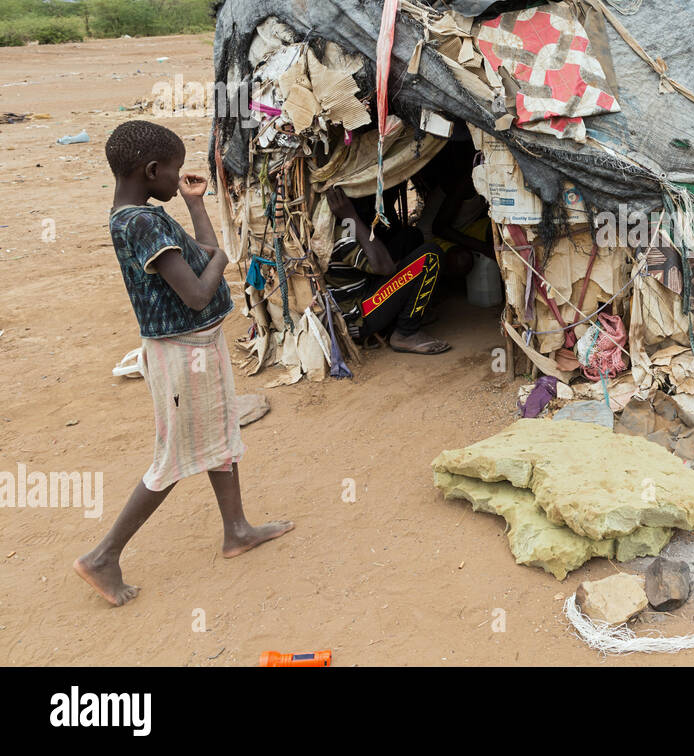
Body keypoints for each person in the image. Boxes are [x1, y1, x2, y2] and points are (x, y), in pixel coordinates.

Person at [75, 120, 293, 608]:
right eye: (174, 172)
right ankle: (103, 556)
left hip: (197, 347)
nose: (179, 179)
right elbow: (197, 293)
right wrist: (224, 259)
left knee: (220, 438)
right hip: (183, 354)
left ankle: (236, 530)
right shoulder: (144, 223)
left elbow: (200, 256)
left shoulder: (137, 215)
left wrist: (196, 207)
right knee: (173, 458)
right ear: (151, 170)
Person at [323, 186, 452, 354]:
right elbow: (385, 267)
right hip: (359, 317)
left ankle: (409, 312)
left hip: (367, 288)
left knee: (411, 236)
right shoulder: (341, 235)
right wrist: (352, 216)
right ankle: (406, 332)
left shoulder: (346, 226)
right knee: (430, 257)